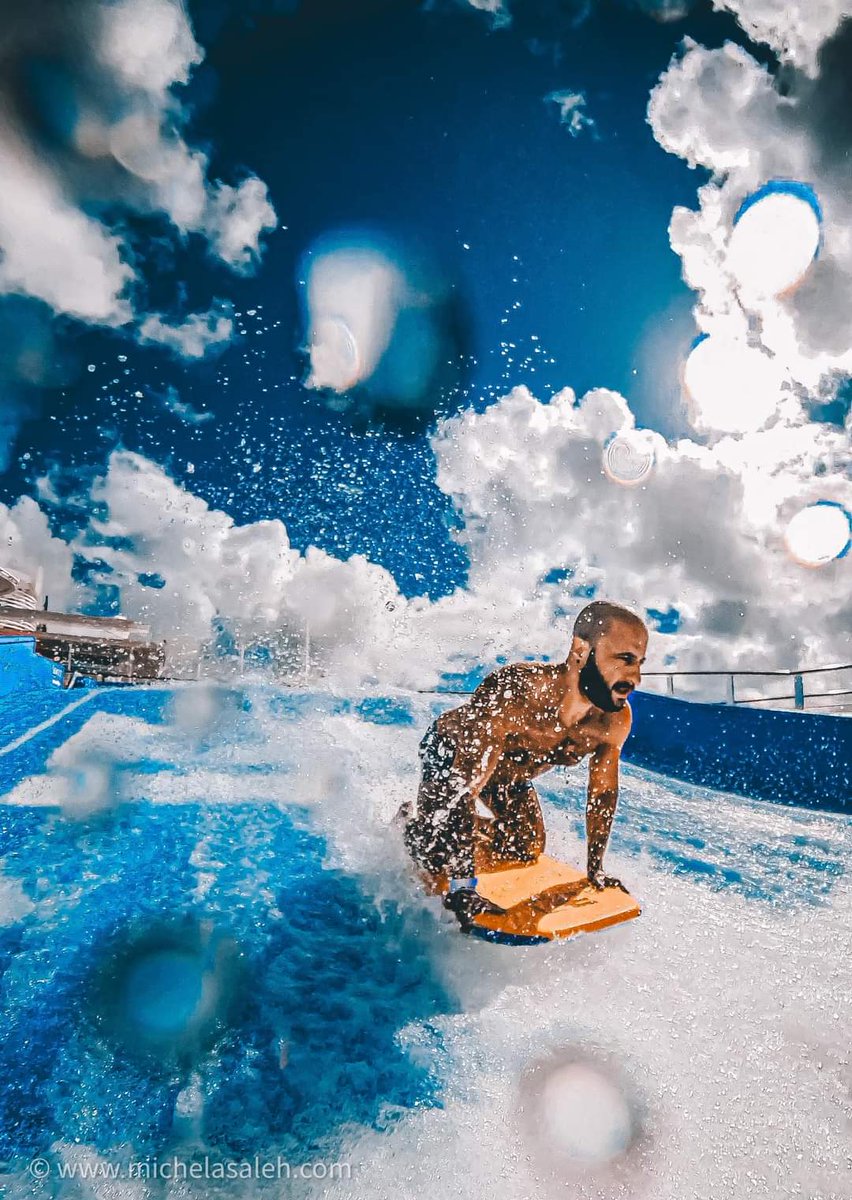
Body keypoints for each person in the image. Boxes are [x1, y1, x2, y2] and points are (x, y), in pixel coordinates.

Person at [400, 601, 649, 930]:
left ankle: (465, 832)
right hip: (450, 754)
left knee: (524, 848)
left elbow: (602, 795)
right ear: (580, 650)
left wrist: (595, 869)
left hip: (506, 776)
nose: (636, 677)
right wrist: (463, 888)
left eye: (640, 663)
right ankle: (412, 823)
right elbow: (464, 784)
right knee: (434, 852)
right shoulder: (517, 692)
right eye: (625, 660)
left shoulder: (611, 721)